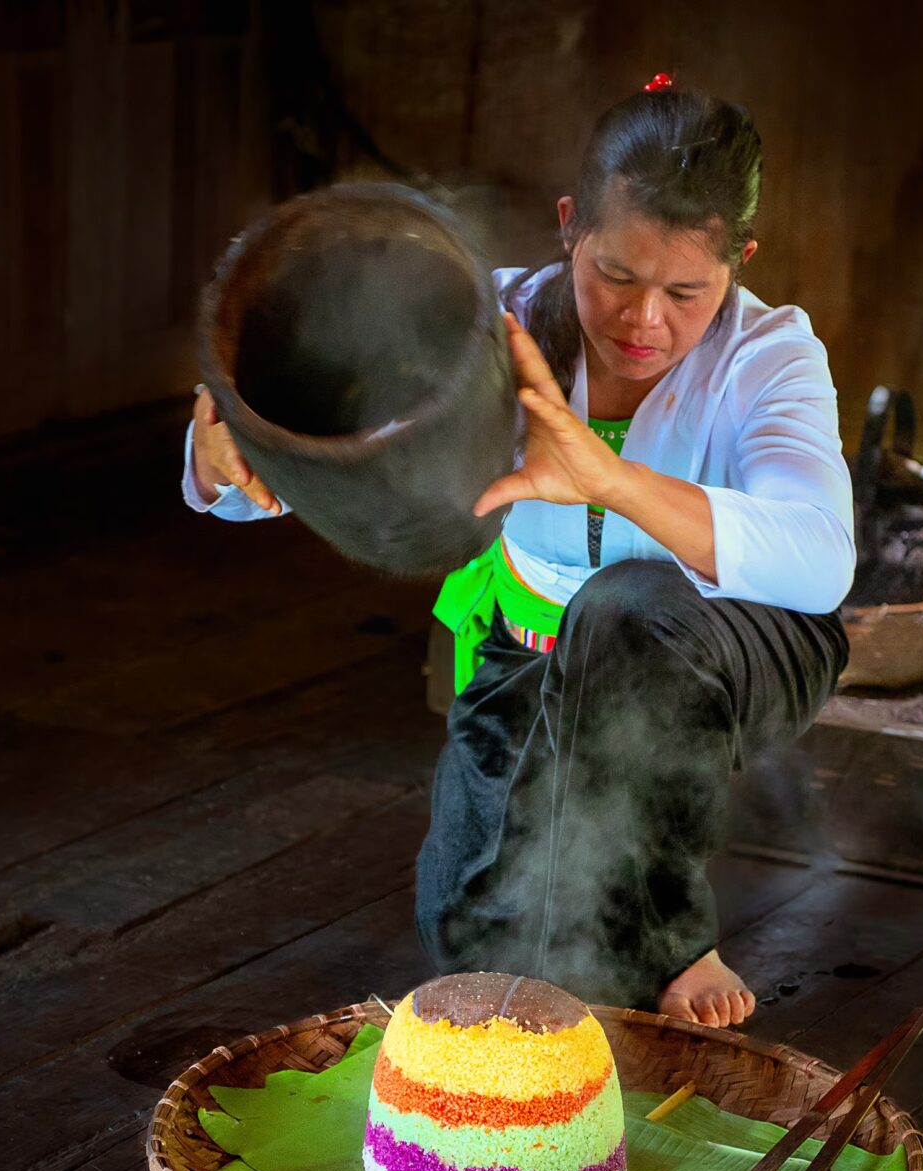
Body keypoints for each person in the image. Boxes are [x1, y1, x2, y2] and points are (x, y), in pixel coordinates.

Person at [183, 76, 853, 1028]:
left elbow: (822, 561)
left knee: (626, 606)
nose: (642, 320)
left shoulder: (771, 355)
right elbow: (329, 470)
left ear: (739, 263)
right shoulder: (488, 329)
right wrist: (222, 457)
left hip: (718, 648)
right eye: (615, 274)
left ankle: (672, 933)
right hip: (531, 652)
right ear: (571, 225)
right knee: (466, 937)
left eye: (685, 291)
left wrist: (606, 477)